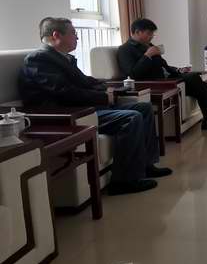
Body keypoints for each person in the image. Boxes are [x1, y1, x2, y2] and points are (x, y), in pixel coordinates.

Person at [19, 17, 172, 195]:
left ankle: (146, 165)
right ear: (56, 35)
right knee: (131, 118)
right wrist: (103, 97)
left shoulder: (62, 58)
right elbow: (64, 92)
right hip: (68, 115)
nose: (77, 37)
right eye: (74, 33)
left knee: (144, 108)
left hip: (82, 109)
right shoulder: (39, 59)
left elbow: (85, 81)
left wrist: (106, 88)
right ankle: (124, 181)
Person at [117, 18, 207, 130]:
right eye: (149, 33)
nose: (151, 36)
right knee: (194, 79)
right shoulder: (125, 50)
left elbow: (163, 65)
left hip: (167, 78)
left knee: (198, 80)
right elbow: (133, 74)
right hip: (154, 83)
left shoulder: (148, 45)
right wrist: (147, 56)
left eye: (152, 34)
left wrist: (178, 70)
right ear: (137, 32)